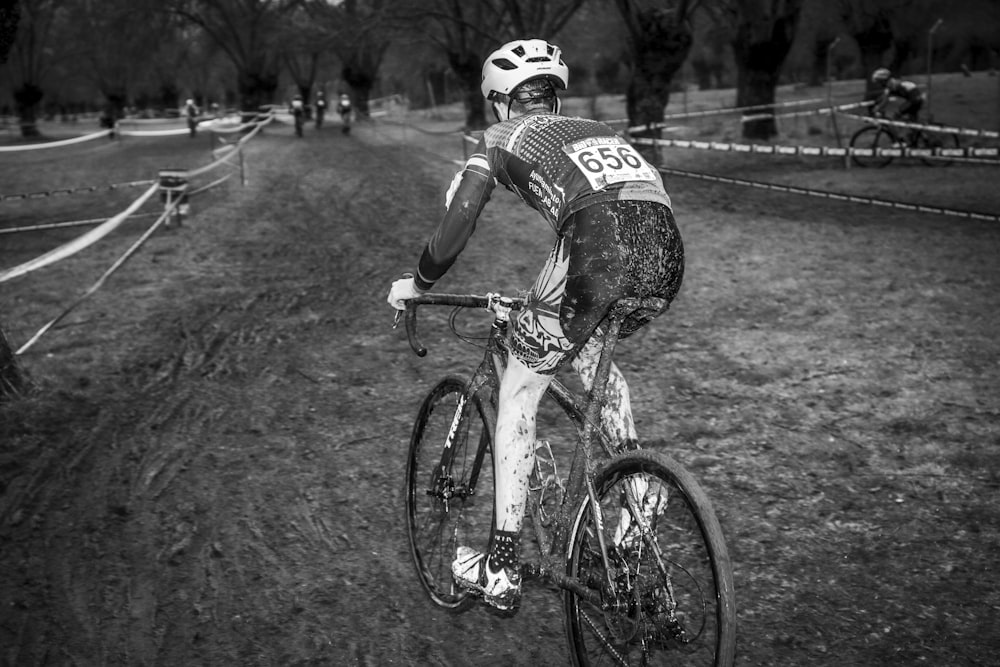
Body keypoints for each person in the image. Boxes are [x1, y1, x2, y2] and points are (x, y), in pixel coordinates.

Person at [386, 39, 684, 612]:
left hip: (599, 250)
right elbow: (609, 210)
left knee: (519, 392)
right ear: (554, 97)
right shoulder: (597, 130)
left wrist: (418, 284)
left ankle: (499, 567)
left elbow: (459, 220)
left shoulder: (499, 137)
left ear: (499, 103)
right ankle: (639, 497)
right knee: (596, 356)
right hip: (664, 253)